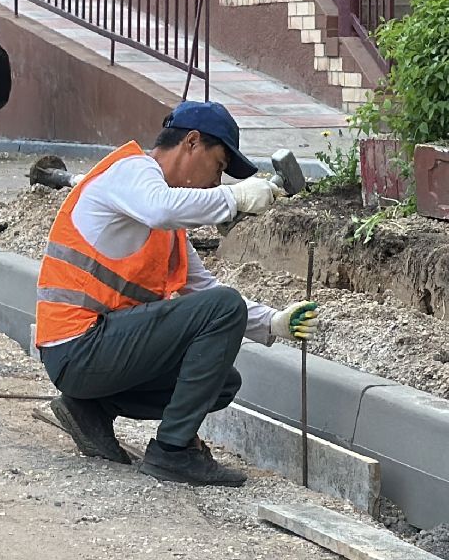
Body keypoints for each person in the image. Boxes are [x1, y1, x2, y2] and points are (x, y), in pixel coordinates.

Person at [34, 100, 319, 486]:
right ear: (192, 142)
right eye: (218, 166)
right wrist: (234, 198)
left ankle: (91, 409)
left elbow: (206, 289)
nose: (216, 182)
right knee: (223, 309)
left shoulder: (165, 226)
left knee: (222, 382)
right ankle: (173, 452)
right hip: (78, 347)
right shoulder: (132, 172)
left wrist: (275, 322)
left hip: (92, 354)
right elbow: (162, 209)